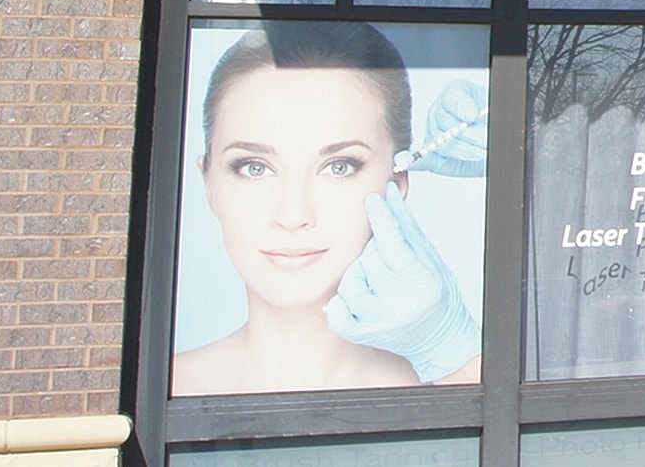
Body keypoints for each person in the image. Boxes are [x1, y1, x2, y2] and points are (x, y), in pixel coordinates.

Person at [172, 22, 486, 395]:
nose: (293, 216)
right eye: (254, 168)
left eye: (338, 167)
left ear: (398, 182)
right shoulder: (162, 388)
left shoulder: (459, 385)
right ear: (209, 184)